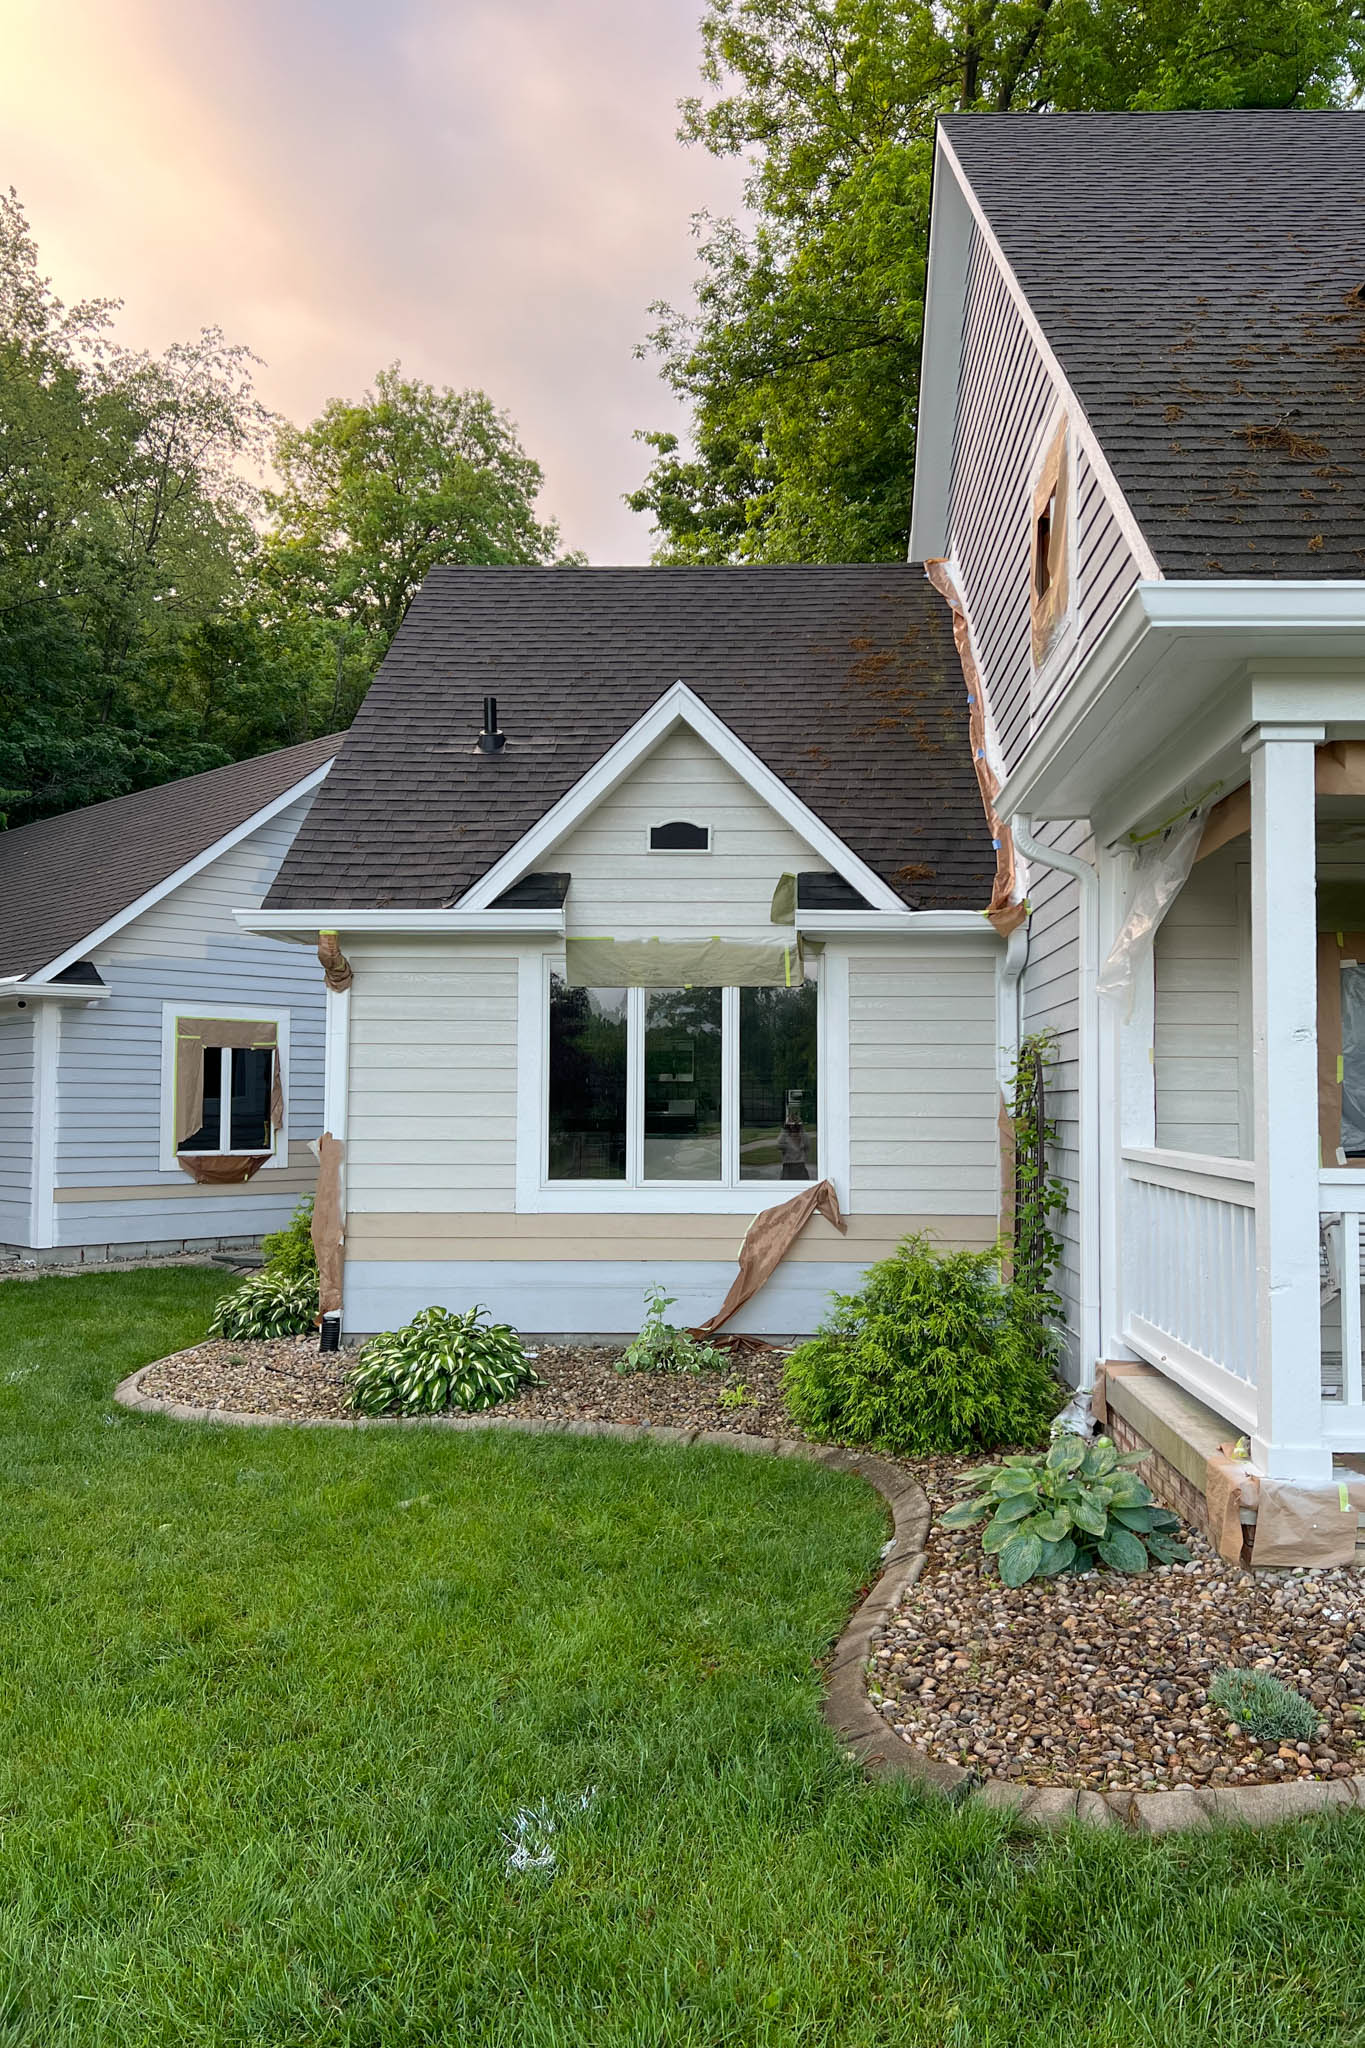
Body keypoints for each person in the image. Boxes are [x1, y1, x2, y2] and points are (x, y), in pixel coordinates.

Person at [778, 1112, 811, 1180]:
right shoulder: (786, 1137)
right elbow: (779, 1145)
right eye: (791, 1124)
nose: (793, 1126)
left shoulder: (802, 1137)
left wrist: (801, 1128)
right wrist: (785, 1128)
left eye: (795, 1124)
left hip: (800, 1167)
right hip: (787, 1168)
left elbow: (807, 1145)